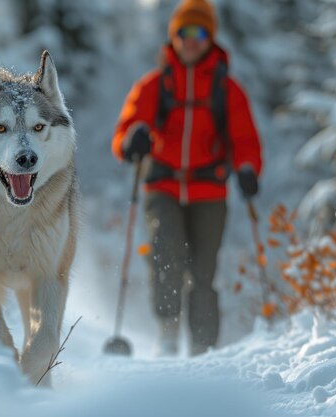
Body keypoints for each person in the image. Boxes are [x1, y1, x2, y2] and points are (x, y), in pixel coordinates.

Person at [111, 0, 262, 356]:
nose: (191, 40)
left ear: (210, 38)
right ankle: (168, 332)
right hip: (162, 186)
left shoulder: (228, 89)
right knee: (166, 256)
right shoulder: (154, 85)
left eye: (200, 32)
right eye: (184, 32)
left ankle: (203, 346)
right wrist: (132, 139)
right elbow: (124, 133)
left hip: (209, 189)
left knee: (204, 270)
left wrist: (248, 169)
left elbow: (246, 141)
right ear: (173, 36)